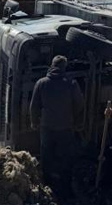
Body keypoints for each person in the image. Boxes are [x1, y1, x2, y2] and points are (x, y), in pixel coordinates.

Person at [30, 55, 84, 197]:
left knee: (47, 155)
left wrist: (34, 122)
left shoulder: (41, 83)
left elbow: (34, 106)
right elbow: (79, 104)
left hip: (46, 127)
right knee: (66, 156)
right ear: (64, 67)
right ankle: (66, 187)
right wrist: (77, 122)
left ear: (51, 66)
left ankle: (48, 184)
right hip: (66, 127)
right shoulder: (71, 83)